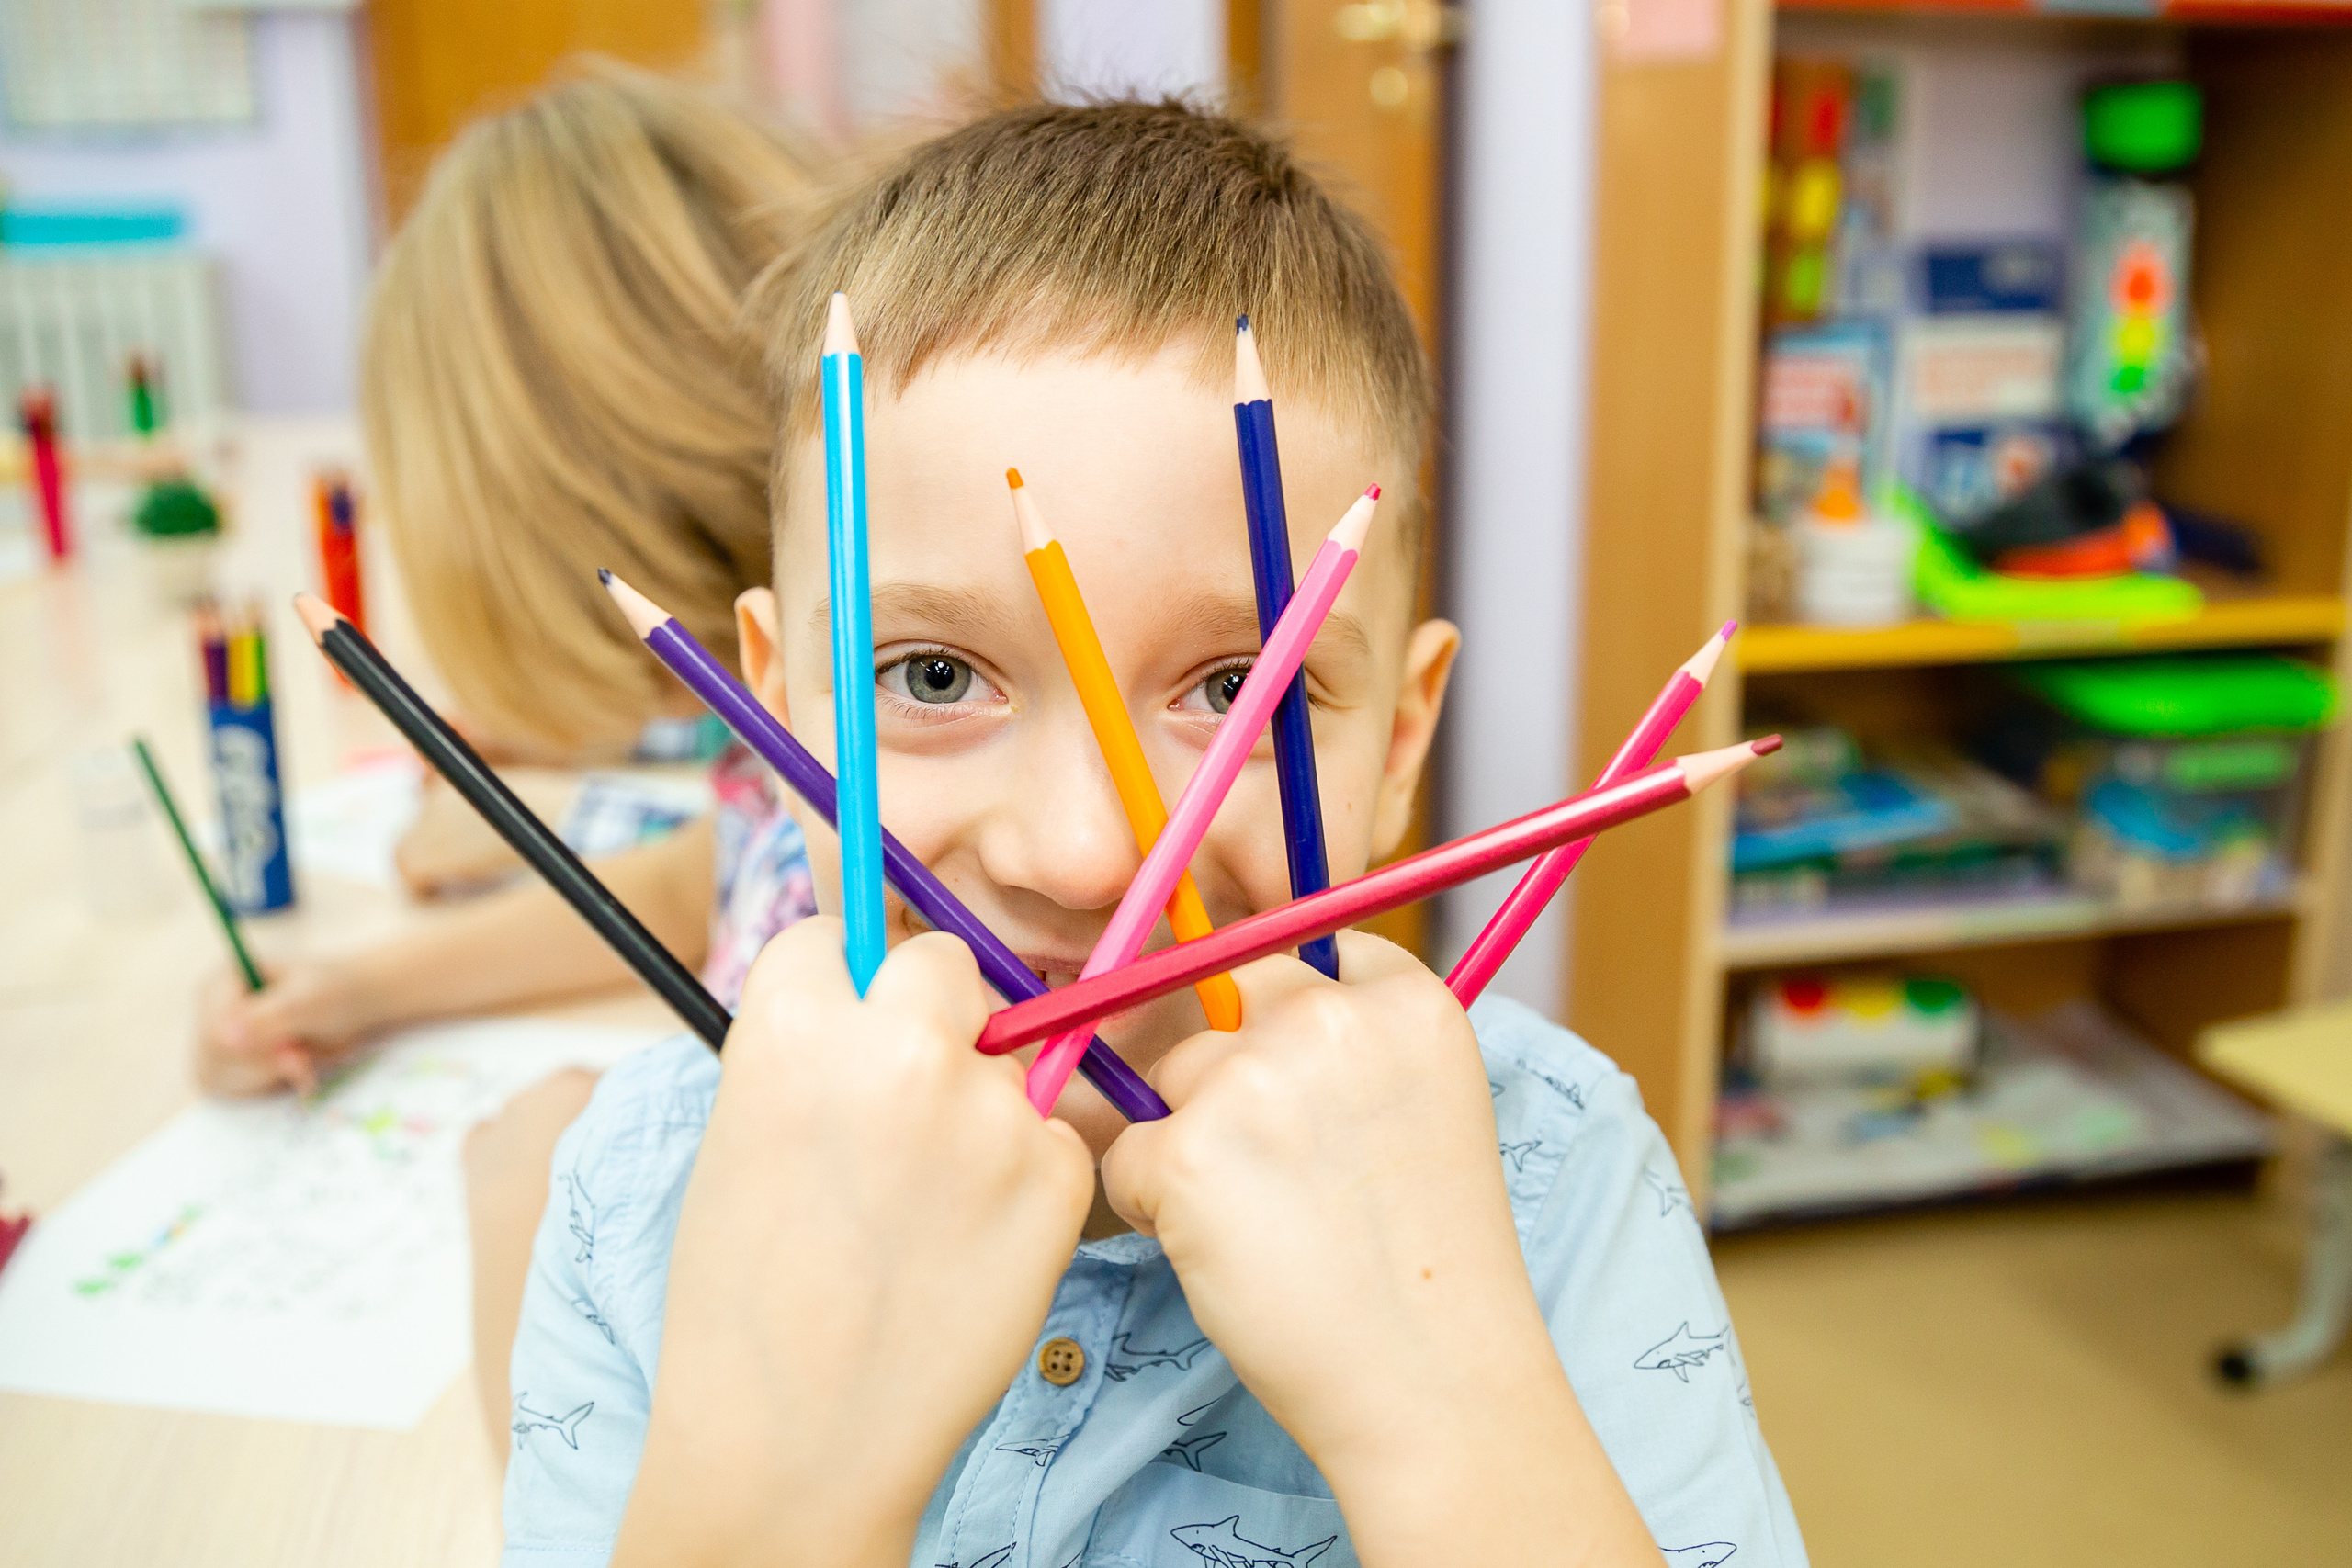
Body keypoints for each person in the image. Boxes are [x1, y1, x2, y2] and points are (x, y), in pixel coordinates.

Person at [503, 99, 1806, 1566]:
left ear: (1401, 742)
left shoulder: (1555, 1172)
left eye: (1237, 688)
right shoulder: (640, 1193)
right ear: (774, 714)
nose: (1080, 854)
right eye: (930, 676)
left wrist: (1441, 1416)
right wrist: (781, 1486)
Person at [191, 62, 831, 1453]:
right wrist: (366, 988)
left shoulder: (872, 817)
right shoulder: (786, 738)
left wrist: (553, 1186)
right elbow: (692, 885)